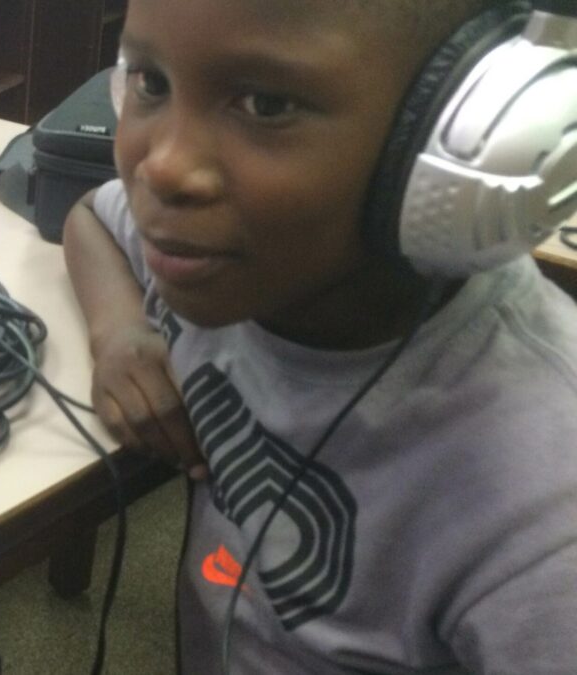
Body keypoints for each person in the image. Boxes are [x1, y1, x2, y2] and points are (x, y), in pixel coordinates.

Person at [62, 0, 577, 672]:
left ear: (458, 135)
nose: (161, 168)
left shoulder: (543, 514)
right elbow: (90, 218)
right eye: (151, 82)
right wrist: (120, 332)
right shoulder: (228, 257)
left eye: (266, 103)